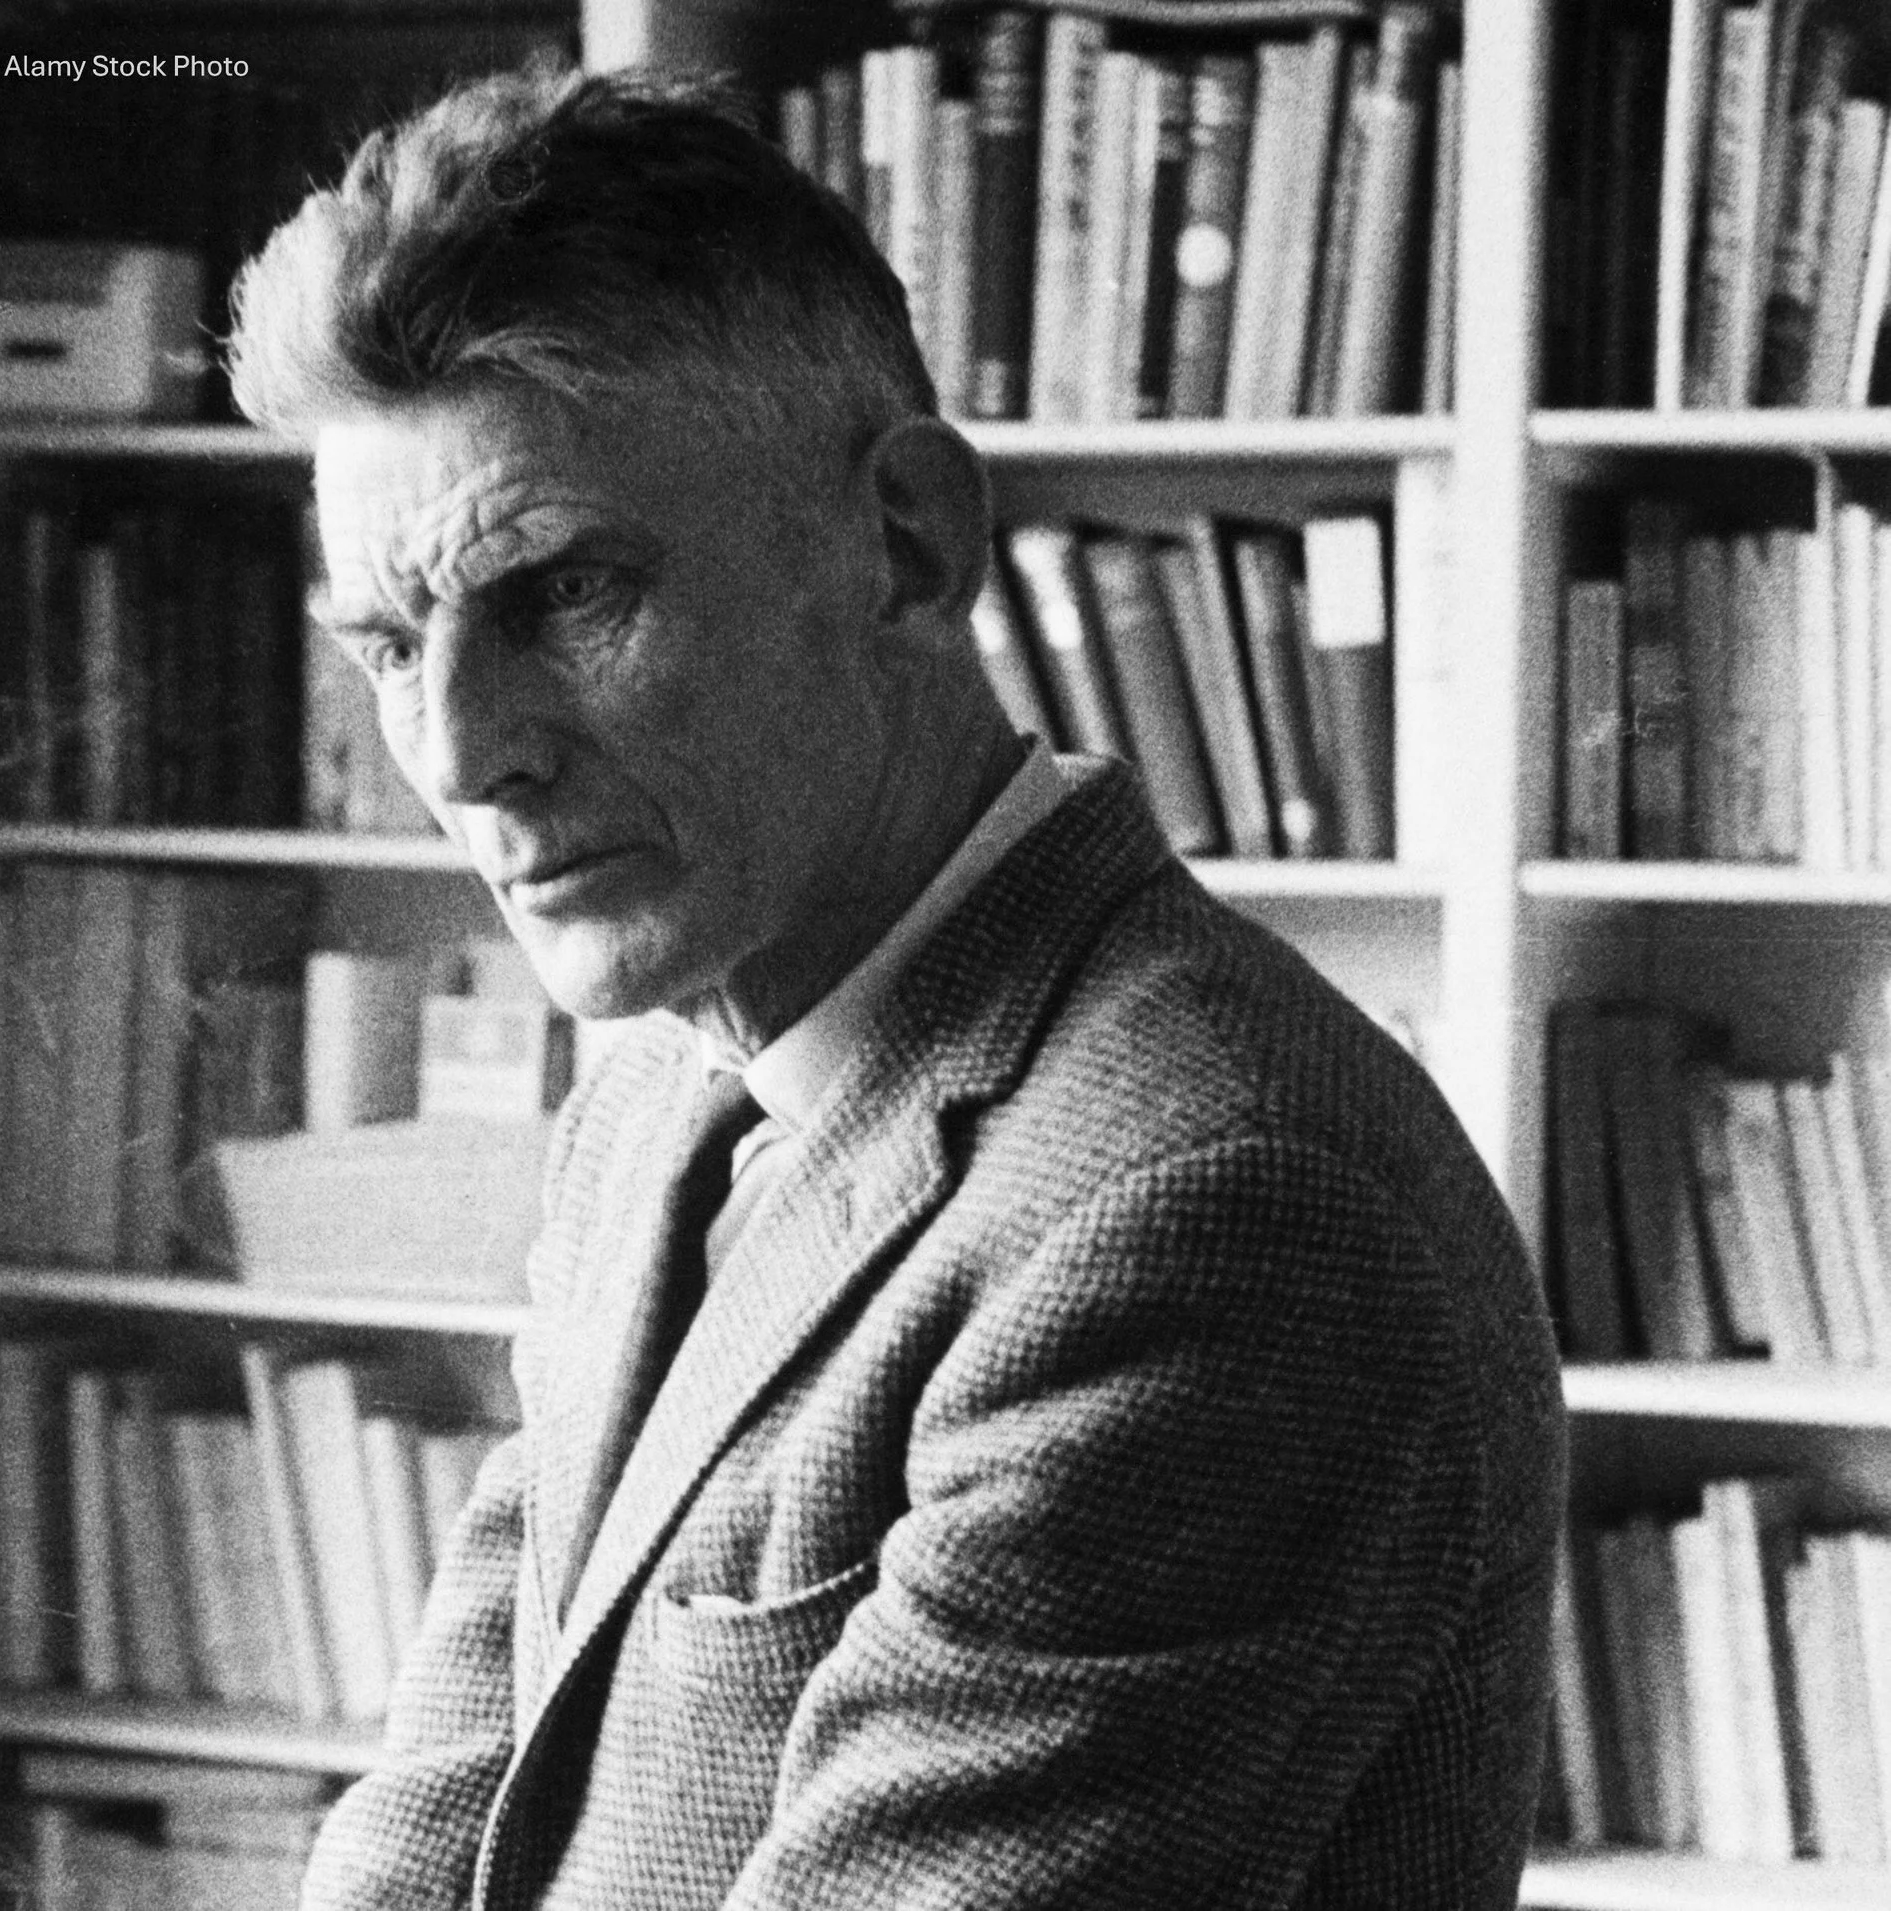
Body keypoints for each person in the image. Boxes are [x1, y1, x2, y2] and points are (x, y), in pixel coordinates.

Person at [227, 65, 1565, 1911]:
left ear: (910, 542)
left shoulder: (1216, 1211)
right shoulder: (663, 1083)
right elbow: (446, 1806)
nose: (461, 753)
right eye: (389, 641)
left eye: (564, 589)